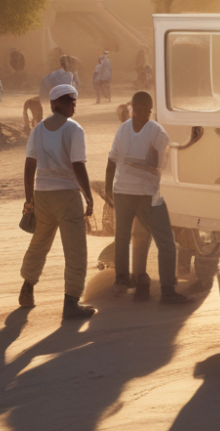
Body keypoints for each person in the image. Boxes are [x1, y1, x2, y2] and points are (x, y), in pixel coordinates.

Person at [19, 84, 98, 321]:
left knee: (39, 243)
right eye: (71, 101)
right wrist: (88, 195)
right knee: (75, 250)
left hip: (42, 195)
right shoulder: (74, 130)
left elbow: (29, 165)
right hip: (67, 195)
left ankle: (27, 290)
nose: (74, 105)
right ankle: (71, 303)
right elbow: (78, 165)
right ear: (59, 104)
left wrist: (29, 199)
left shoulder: (38, 130)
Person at [104, 92, 189, 305]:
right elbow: (161, 166)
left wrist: (108, 190)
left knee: (124, 237)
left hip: (121, 192)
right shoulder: (157, 132)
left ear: (132, 108)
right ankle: (167, 290)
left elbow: (111, 161)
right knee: (166, 242)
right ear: (149, 109)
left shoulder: (122, 129)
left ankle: (124, 280)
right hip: (146, 195)